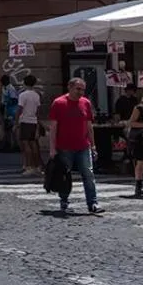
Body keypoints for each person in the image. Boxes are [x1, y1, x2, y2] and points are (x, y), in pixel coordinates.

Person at [48, 77, 102, 215]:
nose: (81, 92)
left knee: (88, 174)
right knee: (65, 175)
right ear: (70, 87)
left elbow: (89, 126)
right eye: (78, 89)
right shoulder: (58, 103)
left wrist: (93, 146)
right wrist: (52, 148)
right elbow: (53, 127)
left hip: (83, 145)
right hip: (64, 146)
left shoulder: (86, 103)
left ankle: (93, 203)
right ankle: (64, 200)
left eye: (83, 89)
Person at [17, 75, 43, 175]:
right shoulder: (37, 95)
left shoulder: (23, 95)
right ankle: (37, 166)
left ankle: (29, 166)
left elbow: (20, 109)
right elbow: (38, 110)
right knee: (34, 144)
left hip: (25, 121)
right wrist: (38, 122)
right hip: (34, 121)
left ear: (24, 82)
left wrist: (16, 122)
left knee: (26, 144)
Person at [0, 74, 19, 150]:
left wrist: (7, 102)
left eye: (3, 81)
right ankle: (8, 143)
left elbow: (14, 99)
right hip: (6, 110)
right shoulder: (4, 88)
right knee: (7, 128)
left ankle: (15, 145)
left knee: (12, 128)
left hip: (12, 110)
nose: (2, 83)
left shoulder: (11, 88)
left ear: (7, 81)